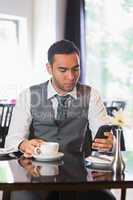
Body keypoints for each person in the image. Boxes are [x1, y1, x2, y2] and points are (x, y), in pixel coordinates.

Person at [5, 39, 116, 200]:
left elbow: (103, 131)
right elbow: (12, 140)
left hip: (78, 177)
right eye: (63, 70)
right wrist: (24, 144)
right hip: (35, 178)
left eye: (75, 69)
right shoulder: (28, 95)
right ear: (49, 68)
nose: (71, 77)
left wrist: (108, 142)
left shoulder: (91, 95)